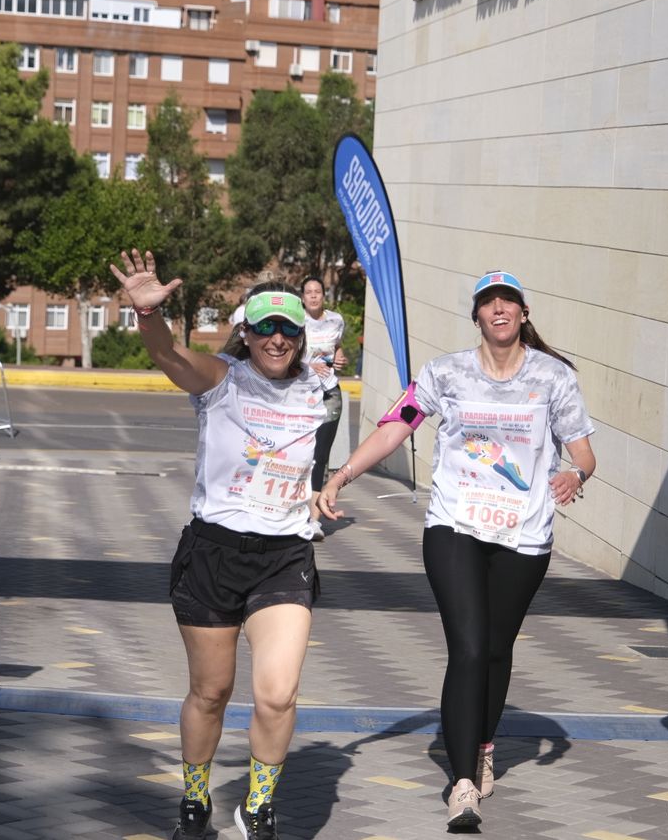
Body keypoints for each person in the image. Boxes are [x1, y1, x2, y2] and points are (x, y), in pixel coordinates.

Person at [314, 270, 595, 830]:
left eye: (508, 301)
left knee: (495, 649)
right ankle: (463, 781)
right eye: (488, 302)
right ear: (476, 316)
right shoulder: (444, 374)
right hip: (455, 525)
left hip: (524, 534)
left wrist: (574, 473)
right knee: (468, 648)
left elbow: (583, 451)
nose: (499, 309)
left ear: (523, 312)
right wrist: (341, 475)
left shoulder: (553, 378)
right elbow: (396, 426)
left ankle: (484, 744)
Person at [111, 249, 326, 840]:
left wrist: (334, 485)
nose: (277, 338)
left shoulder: (318, 389)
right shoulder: (222, 381)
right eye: (266, 327)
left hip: (284, 556)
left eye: (288, 328)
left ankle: (258, 806)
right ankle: (196, 798)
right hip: (213, 553)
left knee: (277, 696)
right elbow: (167, 355)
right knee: (211, 692)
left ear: (301, 336)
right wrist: (147, 314)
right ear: (247, 333)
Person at [300, 277, 348, 540]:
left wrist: (339, 356)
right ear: (303, 297)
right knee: (301, 454)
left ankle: (314, 519)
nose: (314, 296)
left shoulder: (336, 320)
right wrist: (308, 366)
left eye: (318, 292)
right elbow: (287, 355)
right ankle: (293, 512)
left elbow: (336, 349)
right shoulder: (297, 321)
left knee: (321, 455)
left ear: (323, 295)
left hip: (330, 392)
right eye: (309, 292)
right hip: (302, 393)